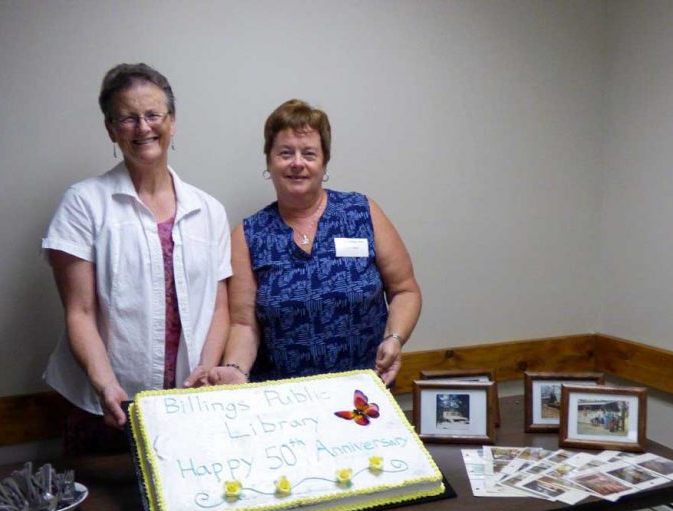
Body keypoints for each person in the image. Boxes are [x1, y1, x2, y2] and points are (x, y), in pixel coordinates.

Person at [42, 63, 231, 452]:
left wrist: (204, 372)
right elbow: (79, 311)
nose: (143, 127)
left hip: (188, 404)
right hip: (106, 408)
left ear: (172, 122)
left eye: (153, 115)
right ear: (111, 130)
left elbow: (219, 308)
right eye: (128, 118)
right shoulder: (84, 203)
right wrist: (106, 384)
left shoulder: (209, 210)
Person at [187, 99, 420, 387]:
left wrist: (395, 338)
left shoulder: (362, 212)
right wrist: (236, 368)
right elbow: (244, 324)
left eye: (309, 153)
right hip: (284, 401)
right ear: (269, 162)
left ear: (324, 163)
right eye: (286, 153)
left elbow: (405, 290)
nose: (297, 163)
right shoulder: (248, 234)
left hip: (363, 391)